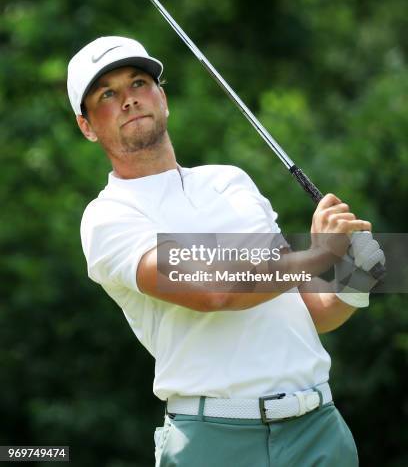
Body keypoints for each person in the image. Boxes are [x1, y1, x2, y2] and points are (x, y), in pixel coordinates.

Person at [67, 35, 385, 467]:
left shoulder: (230, 181)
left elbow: (309, 311)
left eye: (139, 83)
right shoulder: (107, 217)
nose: (128, 100)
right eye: (107, 94)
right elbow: (213, 291)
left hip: (318, 430)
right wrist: (319, 254)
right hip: (215, 440)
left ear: (162, 96)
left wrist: (356, 278)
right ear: (86, 125)